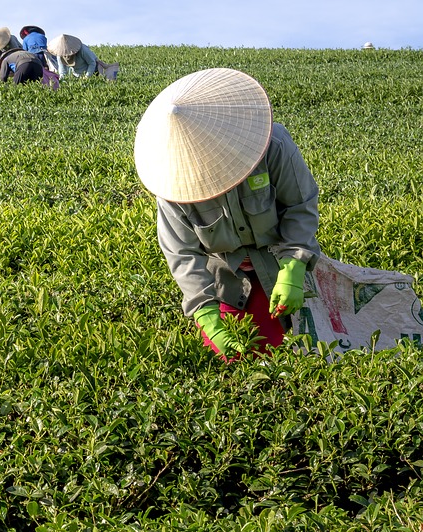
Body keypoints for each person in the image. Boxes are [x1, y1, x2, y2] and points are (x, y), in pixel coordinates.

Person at [134, 68, 320, 359]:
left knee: (297, 343)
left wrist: (295, 266)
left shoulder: (274, 145)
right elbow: (182, 254)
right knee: (236, 354)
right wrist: (206, 314)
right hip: (227, 274)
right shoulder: (170, 183)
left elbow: (300, 205)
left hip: (277, 257)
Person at [47, 34, 119, 80]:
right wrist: (62, 81)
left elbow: (92, 63)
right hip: (77, 75)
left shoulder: (83, 50)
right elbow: (62, 71)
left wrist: (87, 76)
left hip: (94, 72)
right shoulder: (60, 54)